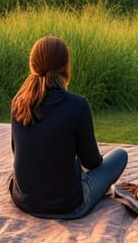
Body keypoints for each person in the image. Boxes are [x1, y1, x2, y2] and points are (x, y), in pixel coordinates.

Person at [9, 35, 128, 218]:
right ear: (66, 66)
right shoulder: (77, 105)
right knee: (120, 155)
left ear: (33, 65)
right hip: (69, 205)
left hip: (24, 200)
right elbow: (92, 162)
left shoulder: (18, 102)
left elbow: (17, 151)